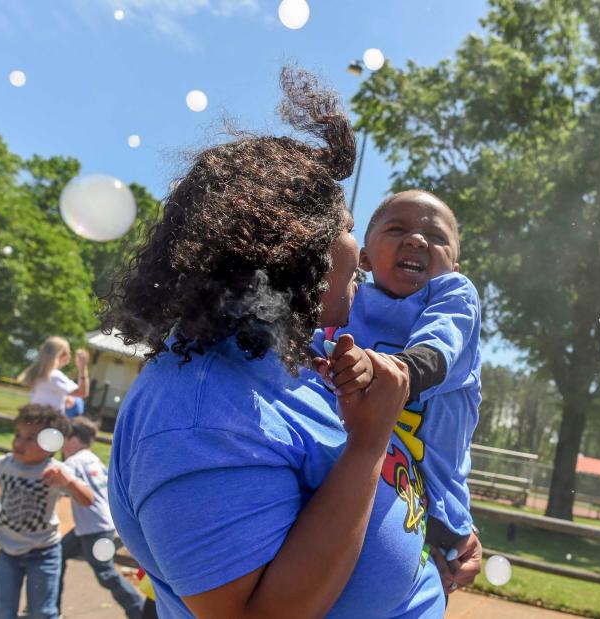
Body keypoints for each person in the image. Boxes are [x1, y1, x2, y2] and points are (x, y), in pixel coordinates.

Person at [101, 66, 480, 619]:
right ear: (293, 247)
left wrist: (439, 536)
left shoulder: (292, 359)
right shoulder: (197, 419)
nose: (361, 248)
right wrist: (369, 444)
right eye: (346, 226)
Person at [319, 189, 481, 576]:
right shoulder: (347, 303)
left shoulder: (455, 296)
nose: (417, 240)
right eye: (397, 228)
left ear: (454, 268)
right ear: (364, 258)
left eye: (437, 237)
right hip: (349, 479)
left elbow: (435, 352)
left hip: (432, 505)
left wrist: (380, 371)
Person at [0, 404, 95, 619]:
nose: (19, 442)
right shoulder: (5, 464)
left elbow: (87, 499)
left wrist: (69, 482)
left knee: (42, 613)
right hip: (8, 552)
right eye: (18, 434)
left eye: (31, 438)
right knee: (2, 612)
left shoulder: (55, 471)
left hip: (43, 553)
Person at [58, 417, 145, 618]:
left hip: (94, 528)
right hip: (101, 524)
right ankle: (49, 606)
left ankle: (139, 611)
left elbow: (60, 477)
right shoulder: (92, 458)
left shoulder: (72, 462)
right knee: (58, 555)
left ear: (73, 439)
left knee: (106, 574)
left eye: (64, 439)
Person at [19, 336, 90, 414]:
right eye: (68, 353)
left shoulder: (41, 373)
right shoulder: (55, 376)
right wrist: (82, 368)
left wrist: (64, 398)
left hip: (35, 416)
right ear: (61, 355)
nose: (70, 356)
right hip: (49, 420)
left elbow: (46, 395)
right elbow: (82, 393)